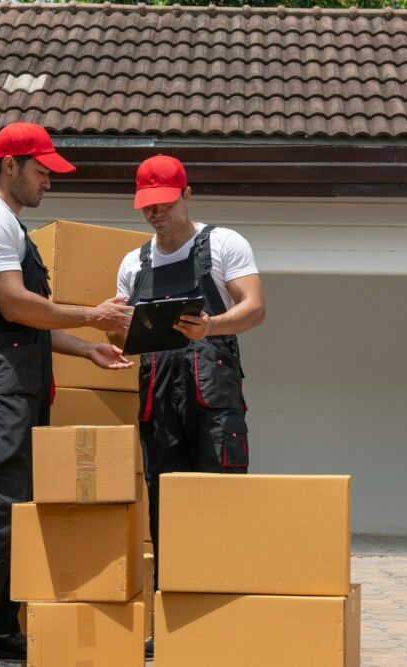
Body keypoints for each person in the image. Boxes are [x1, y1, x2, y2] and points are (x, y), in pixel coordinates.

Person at [0, 122, 133, 667]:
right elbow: (17, 307)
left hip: (18, 381)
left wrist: (85, 347)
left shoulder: (13, 226)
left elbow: (31, 324)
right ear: (9, 165)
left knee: (15, 508)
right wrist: (94, 315)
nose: (49, 181)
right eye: (42, 171)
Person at [112, 154, 266, 586]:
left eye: (164, 203)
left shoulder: (223, 244)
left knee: (220, 499)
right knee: (166, 506)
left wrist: (212, 326)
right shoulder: (133, 263)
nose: (155, 213)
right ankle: (172, 619)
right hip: (157, 401)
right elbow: (119, 333)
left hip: (214, 400)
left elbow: (255, 308)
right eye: (147, 205)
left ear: (187, 195)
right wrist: (113, 335)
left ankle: (221, 615)